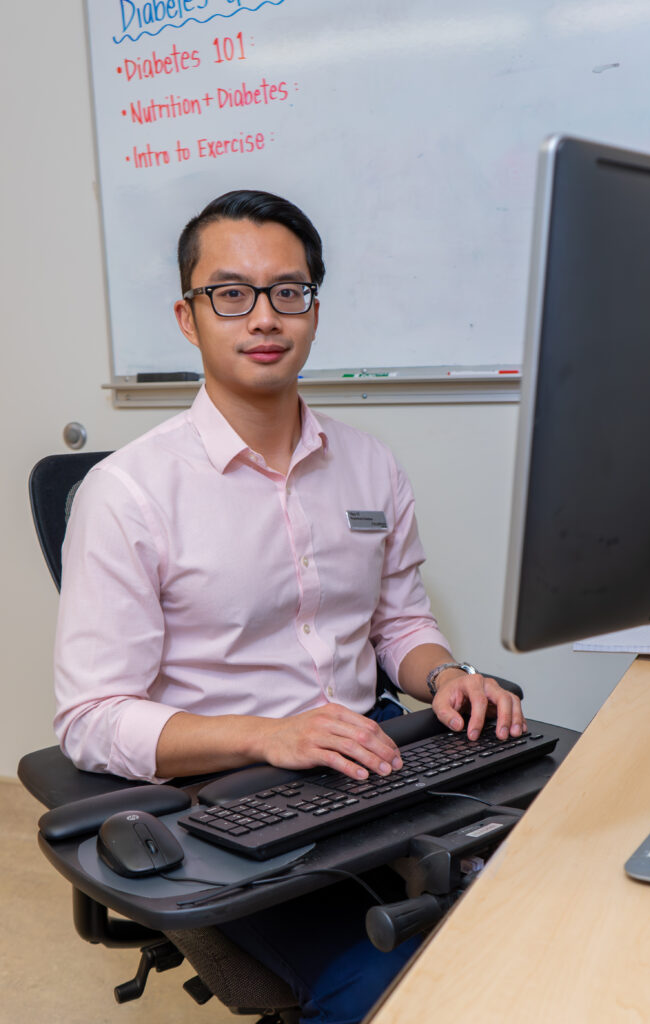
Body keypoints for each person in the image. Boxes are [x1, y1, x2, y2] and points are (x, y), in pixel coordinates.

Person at [54, 189, 526, 1023]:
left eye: (288, 291)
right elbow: (92, 717)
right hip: (229, 799)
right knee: (391, 991)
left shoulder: (369, 465)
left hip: (372, 756)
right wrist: (267, 735)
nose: (262, 317)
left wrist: (448, 674)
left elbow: (399, 624)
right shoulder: (126, 494)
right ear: (187, 316)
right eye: (230, 293)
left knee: (530, 906)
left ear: (313, 308)